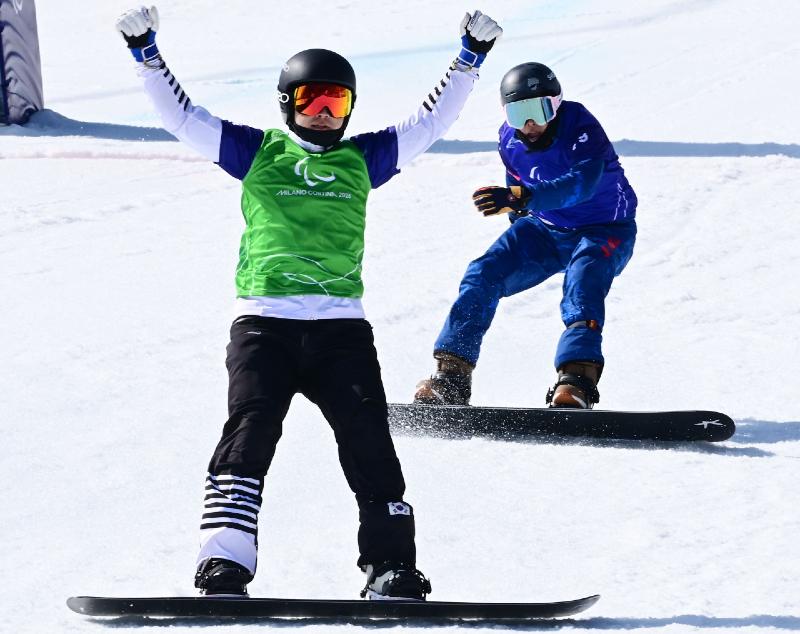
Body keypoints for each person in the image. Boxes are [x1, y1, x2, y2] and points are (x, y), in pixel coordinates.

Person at [115, 5, 502, 600]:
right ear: (287, 104)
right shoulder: (257, 152)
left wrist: (469, 59)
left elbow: (431, 121)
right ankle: (223, 563)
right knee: (249, 432)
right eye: (312, 100)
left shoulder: (362, 160)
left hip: (341, 331)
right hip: (264, 326)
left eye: (337, 102)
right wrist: (146, 52)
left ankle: (391, 567)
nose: (324, 113)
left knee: (369, 440)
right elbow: (182, 116)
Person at [414, 62, 637, 410]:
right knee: (483, 274)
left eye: (539, 110)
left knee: (583, 283)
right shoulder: (508, 139)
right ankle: (452, 378)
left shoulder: (580, 126)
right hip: (545, 230)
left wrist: (524, 198)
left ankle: (576, 380)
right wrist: (516, 213)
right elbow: (515, 183)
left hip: (605, 228)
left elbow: (582, 183)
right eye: (518, 114)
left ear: (557, 104)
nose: (530, 123)